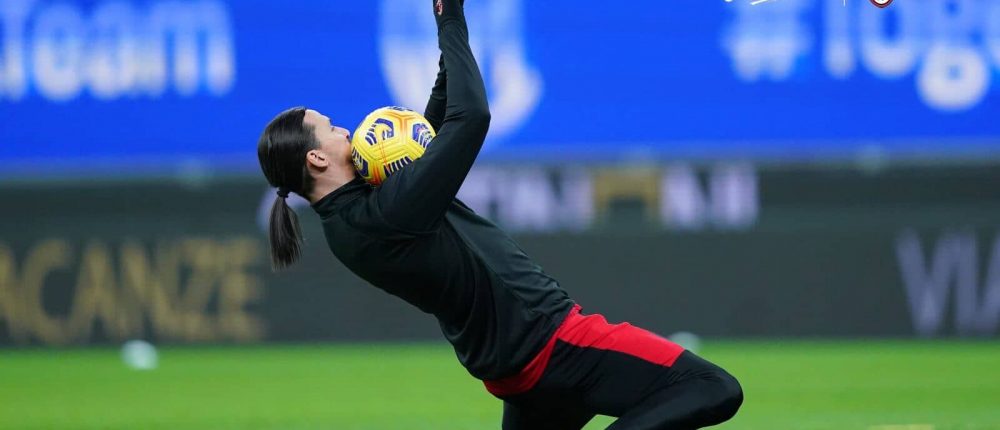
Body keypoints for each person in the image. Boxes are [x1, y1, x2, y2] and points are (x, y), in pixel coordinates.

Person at [256, 1, 742, 428]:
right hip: (558, 344)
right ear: (316, 158)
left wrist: (448, 44)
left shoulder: (355, 216)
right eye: (331, 129)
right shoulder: (383, 213)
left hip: (518, 378)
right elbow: (471, 117)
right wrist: (449, 16)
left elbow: (434, 127)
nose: (344, 131)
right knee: (711, 388)